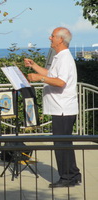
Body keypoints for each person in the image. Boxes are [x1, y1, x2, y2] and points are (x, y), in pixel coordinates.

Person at [24, 27, 81, 188]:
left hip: (62, 108)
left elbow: (60, 82)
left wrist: (38, 78)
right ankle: (73, 173)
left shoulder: (64, 58)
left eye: (53, 36)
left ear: (60, 40)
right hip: (61, 108)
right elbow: (51, 75)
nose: (50, 38)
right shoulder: (60, 57)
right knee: (65, 144)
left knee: (61, 145)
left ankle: (67, 178)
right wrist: (35, 66)